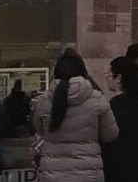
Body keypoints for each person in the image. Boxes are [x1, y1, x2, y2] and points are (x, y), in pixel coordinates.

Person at [33, 49, 119, 182]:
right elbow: (110, 135)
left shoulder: (44, 100)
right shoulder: (97, 99)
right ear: (83, 72)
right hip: (88, 174)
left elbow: (39, 130)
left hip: (52, 174)